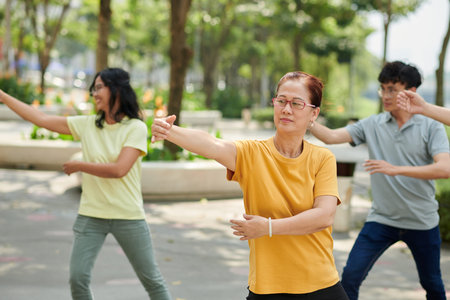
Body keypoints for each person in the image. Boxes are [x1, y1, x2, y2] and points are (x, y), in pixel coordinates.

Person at [151, 71, 349, 300]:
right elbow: (212, 145)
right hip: (268, 288)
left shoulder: (322, 158)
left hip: (320, 286)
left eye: (297, 103)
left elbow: (324, 216)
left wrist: (269, 228)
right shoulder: (252, 153)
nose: (286, 109)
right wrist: (170, 131)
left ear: (314, 113)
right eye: (281, 101)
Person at [0, 68, 172, 300]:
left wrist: (80, 165)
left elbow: (119, 170)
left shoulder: (135, 128)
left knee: (152, 281)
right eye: (93, 88)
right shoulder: (87, 124)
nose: (94, 93)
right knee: (78, 278)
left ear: (116, 89)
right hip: (92, 214)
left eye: (99, 87)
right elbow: (40, 119)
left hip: (128, 215)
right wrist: (2, 96)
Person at [309, 61, 450, 300]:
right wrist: (306, 118)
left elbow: (444, 168)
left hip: (422, 222)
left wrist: (396, 170)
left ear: (411, 92)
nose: (386, 95)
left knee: (433, 284)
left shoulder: (432, 126)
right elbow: (332, 137)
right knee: (350, 277)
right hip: (382, 220)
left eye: (392, 89)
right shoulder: (372, 124)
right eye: (383, 88)